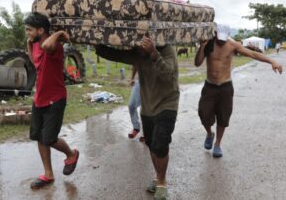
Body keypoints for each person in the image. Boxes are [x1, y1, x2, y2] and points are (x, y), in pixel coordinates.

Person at [96, 37, 179, 200]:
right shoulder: (137, 53)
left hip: (167, 103)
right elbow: (115, 55)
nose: (140, 49)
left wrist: (154, 54)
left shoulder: (167, 50)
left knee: (160, 144)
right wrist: (96, 43)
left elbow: (169, 75)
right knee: (151, 144)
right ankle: (157, 177)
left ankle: (161, 182)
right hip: (148, 105)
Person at [195, 24, 283, 158]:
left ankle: (217, 144)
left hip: (225, 86)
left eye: (224, 39)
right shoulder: (208, 44)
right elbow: (197, 63)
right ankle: (209, 134)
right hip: (210, 86)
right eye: (219, 38)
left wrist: (271, 61)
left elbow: (253, 54)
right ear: (215, 33)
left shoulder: (232, 45)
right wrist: (202, 46)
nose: (221, 41)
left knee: (223, 117)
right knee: (203, 113)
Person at [24, 12, 79, 189]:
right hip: (39, 98)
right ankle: (48, 174)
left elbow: (47, 45)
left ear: (41, 30)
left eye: (29, 30)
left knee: (49, 138)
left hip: (55, 99)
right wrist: (29, 43)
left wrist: (59, 34)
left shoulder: (55, 46)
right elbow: (36, 64)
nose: (27, 33)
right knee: (39, 137)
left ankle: (71, 154)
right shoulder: (34, 44)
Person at [127, 65, 145, 142]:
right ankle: (136, 127)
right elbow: (135, 64)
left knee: (146, 108)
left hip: (152, 80)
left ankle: (146, 132)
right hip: (139, 80)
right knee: (131, 105)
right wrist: (132, 78)